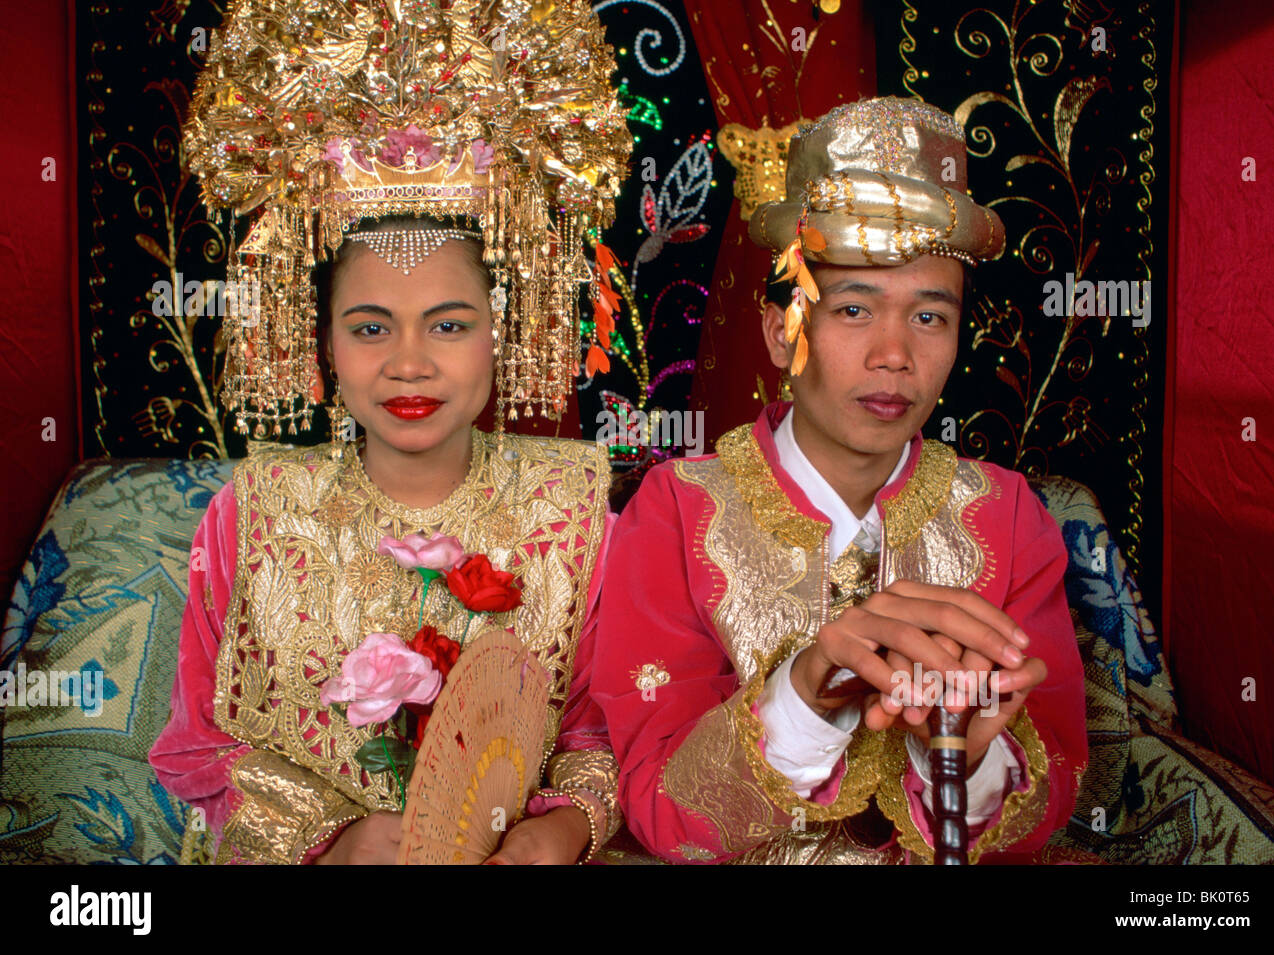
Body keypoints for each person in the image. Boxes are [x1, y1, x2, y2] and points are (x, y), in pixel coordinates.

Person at [148, 0, 631, 864]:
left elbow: (606, 732)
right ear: (321, 338)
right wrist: (333, 839)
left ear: (500, 332)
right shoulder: (251, 514)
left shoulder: (579, 513)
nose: (408, 364)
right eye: (371, 328)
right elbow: (199, 750)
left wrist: (558, 831)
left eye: (447, 325)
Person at [590, 97, 1088, 864]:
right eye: (854, 308)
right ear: (781, 330)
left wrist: (962, 753)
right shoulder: (678, 511)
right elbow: (660, 811)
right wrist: (807, 687)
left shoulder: (1007, 515)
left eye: (930, 317)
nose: (895, 354)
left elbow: (1051, 799)